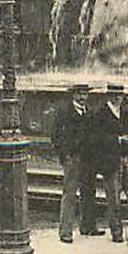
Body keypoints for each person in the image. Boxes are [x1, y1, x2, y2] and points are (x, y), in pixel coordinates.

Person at [84, 83, 128, 243]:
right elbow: (94, 139)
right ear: (108, 96)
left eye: (120, 95)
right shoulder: (99, 114)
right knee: (113, 198)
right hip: (110, 161)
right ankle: (117, 233)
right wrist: (117, 140)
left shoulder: (126, 112)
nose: (117, 98)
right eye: (114, 95)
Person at [52, 83, 92, 243]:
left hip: (88, 158)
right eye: (80, 94)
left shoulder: (88, 111)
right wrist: (65, 155)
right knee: (70, 193)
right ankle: (65, 231)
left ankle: (87, 225)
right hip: (73, 157)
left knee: (88, 191)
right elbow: (55, 136)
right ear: (73, 95)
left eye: (85, 94)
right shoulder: (64, 112)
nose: (83, 97)